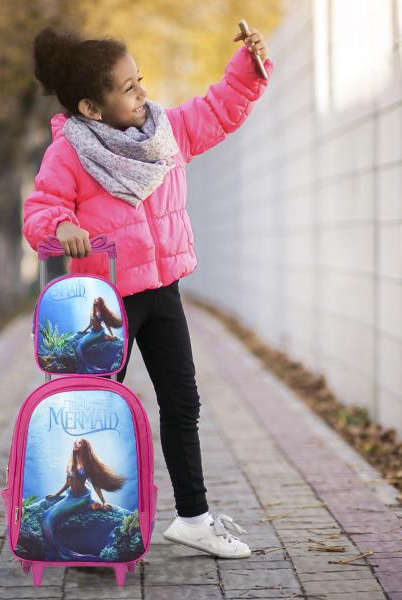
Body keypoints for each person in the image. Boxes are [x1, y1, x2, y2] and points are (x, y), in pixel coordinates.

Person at [22, 23, 273, 559]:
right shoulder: (70, 152)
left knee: (183, 402)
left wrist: (247, 68)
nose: (142, 94)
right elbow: (41, 209)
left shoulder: (163, 132)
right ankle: (82, 530)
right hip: (103, 307)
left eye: (140, 80)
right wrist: (59, 226)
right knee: (91, 415)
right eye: (129, 88)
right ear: (92, 107)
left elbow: (217, 109)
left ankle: (194, 517)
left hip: (163, 294)